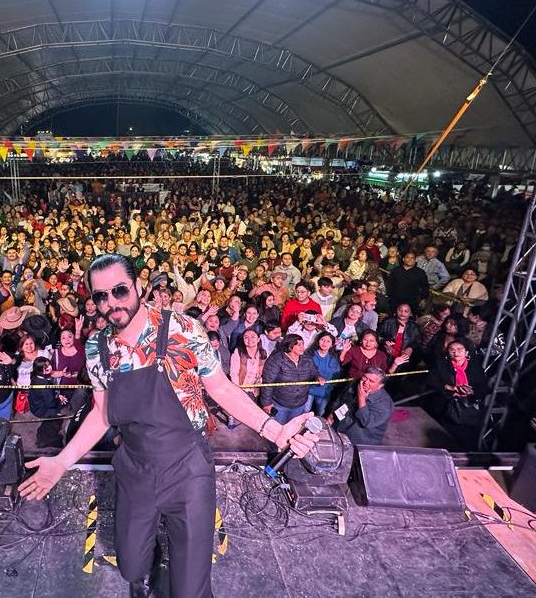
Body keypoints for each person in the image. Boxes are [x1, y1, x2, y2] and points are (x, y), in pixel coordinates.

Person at [18, 254, 316, 598]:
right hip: (135, 468)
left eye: (119, 290)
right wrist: (62, 461)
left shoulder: (183, 330)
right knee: (131, 567)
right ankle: (157, 561)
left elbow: (220, 388)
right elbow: (102, 413)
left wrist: (274, 430)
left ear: (138, 287)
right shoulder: (98, 347)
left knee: (190, 590)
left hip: (188, 470)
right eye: (101, 296)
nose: (112, 302)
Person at [428, 338, 487, 447]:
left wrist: (471, 391)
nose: (456, 353)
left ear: (467, 352)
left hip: (469, 410)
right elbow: (431, 381)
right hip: (447, 409)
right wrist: (450, 388)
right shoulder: (441, 365)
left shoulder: (475, 367)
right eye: (452, 350)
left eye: (460, 349)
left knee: (467, 442)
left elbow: (483, 387)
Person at [260, 333, 321, 421]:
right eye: (299, 345)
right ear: (289, 347)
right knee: (277, 427)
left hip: (299, 405)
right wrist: (266, 403)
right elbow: (267, 382)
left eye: (302, 344)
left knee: (294, 427)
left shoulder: (307, 359)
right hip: (280, 405)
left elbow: (314, 372)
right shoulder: (276, 360)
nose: (302, 347)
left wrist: (318, 377)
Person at [332, 366, 394, 445]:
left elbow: (367, 421)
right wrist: (332, 415)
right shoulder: (355, 385)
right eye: (365, 377)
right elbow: (342, 400)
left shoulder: (385, 403)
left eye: (371, 381)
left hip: (362, 441)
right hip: (342, 430)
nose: (366, 382)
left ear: (380, 386)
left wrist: (361, 398)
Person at [307, 331, 344, 417]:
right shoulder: (309, 355)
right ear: (318, 341)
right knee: (305, 411)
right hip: (309, 390)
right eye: (322, 340)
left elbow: (336, 375)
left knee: (321, 413)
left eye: (328, 341)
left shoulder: (333, 358)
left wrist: (330, 387)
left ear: (332, 345)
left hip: (324, 392)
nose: (324, 343)